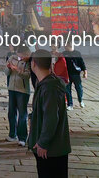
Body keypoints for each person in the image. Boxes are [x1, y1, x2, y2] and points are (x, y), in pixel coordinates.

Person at [27, 49, 71, 178]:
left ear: (33, 63)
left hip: (51, 150)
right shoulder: (44, 83)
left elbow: (51, 117)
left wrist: (43, 142)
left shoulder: (50, 87)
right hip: (49, 148)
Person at [5, 45, 31, 147]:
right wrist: (8, 68)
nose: (20, 58)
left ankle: (22, 138)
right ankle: (12, 134)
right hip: (12, 88)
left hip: (23, 90)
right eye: (18, 56)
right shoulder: (12, 58)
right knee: (11, 112)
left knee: (22, 114)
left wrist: (18, 70)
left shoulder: (29, 61)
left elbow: (27, 76)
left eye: (22, 56)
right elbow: (6, 73)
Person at [63, 41, 87, 110]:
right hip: (67, 74)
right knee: (67, 90)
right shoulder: (64, 54)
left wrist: (85, 72)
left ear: (69, 46)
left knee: (79, 88)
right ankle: (70, 104)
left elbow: (82, 63)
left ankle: (80, 100)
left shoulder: (77, 53)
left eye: (65, 45)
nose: (64, 47)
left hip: (76, 75)